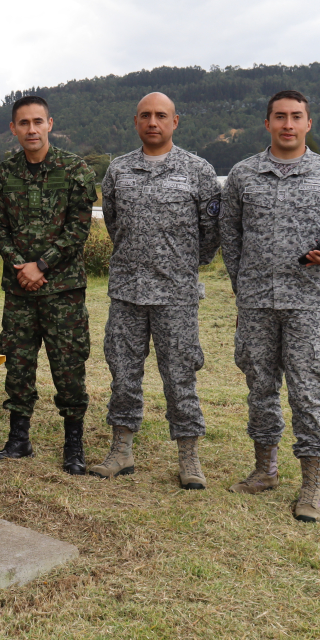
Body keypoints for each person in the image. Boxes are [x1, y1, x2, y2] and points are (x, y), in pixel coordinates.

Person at [220, 89, 320, 522]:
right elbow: (230, 237)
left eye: (296, 117)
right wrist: (242, 285)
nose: (287, 124)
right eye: (279, 117)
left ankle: (312, 484)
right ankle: (265, 469)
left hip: (307, 305)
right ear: (267, 123)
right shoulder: (243, 175)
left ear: (308, 123)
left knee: (307, 390)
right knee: (260, 386)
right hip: (257, 303)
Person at [93, 92, 222, 488]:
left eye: (161, 115)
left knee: (181, 375)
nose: (153, 122)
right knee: (123, 373)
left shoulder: (198, 171)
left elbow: (210, 234)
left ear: (175, 121)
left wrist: (177, 265)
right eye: (146, 115)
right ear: (136, 122)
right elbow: (114, 224)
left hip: (176, 295)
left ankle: (189, 457)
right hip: (128, 292)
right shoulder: (118, 170)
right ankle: (121, 450)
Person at [0, 96, 97, 474]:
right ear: (13, 128)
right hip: (19, 290)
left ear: (50, 123)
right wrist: (20, 265)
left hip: (61, 289)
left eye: (38, 122)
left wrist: (42, 265)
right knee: (17, 366)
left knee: (68, 368)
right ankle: (19, 440)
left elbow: (79, 227)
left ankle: (73, 445)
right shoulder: (3, 173)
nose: (31, 130)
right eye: (23, 123)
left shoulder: (75, 169)